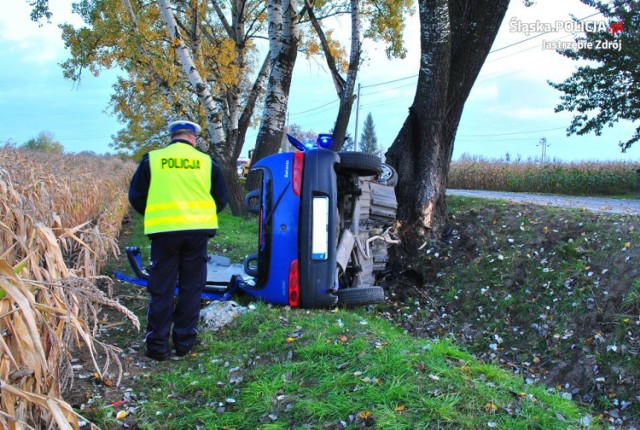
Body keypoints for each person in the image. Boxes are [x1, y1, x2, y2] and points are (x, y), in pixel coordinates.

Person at [128, 120, 229, 361]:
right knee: (191, 287)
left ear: (172, 137)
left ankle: (157, 347)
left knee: (161, 288)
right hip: (197, 232)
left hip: (164, 232)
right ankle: (184, 344)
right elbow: (221, 198)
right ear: (194, 138)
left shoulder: (153, 160)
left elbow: (137, 196)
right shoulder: (207, 162)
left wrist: (156, 214)